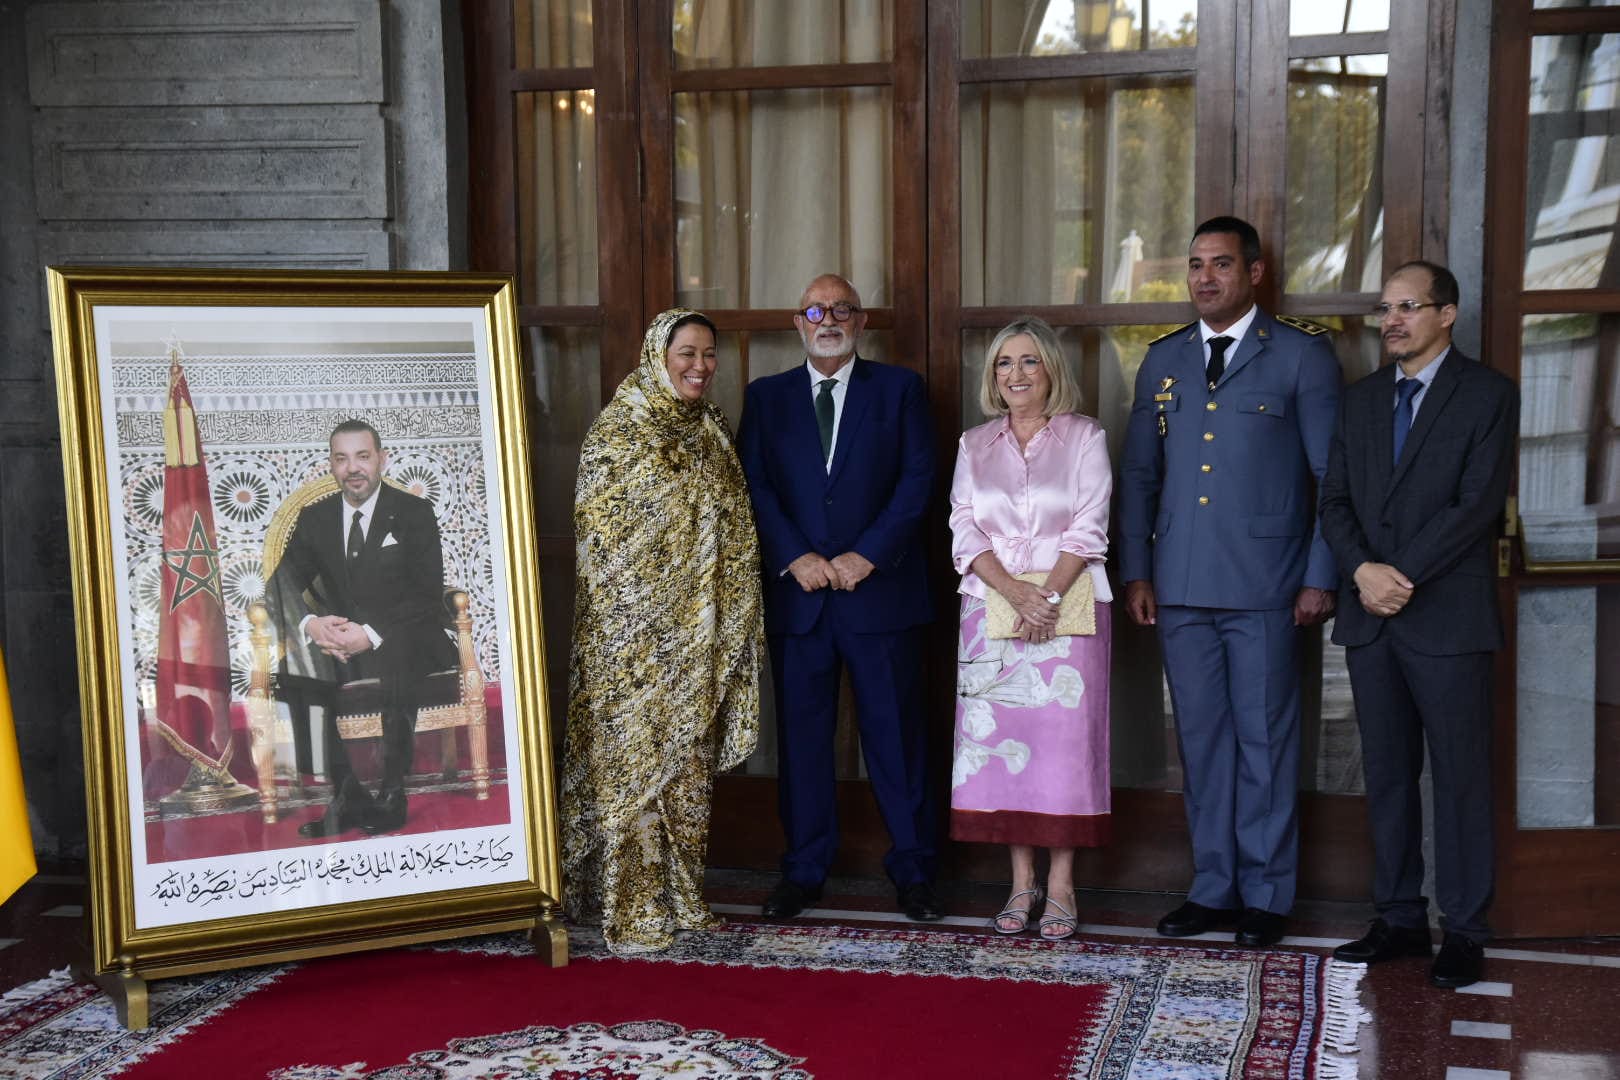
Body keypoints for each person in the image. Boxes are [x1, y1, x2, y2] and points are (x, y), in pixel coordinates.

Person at [1118, 215, 1341, 946]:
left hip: (1267, 587)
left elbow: (1328, 480)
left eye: (1220, 264)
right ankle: (1213, 887)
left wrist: (1319, 575)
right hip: (1180, 585)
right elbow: (1141, 477)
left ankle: (1268, 894)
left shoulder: (1302, 358)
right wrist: (1139, 571)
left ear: (1255, 272)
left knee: (1266, 744)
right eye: (1194, 266)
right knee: (1203, 743)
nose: (1204, 277)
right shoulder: (1165, 361)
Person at [1319, 262, 1517, 989]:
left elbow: (1476, 504)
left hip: (1447, 618)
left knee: (1461, 779)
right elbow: (1333, 500)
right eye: (1385, 308)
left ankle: (1463, 929)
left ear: (1448, 314)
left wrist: (1396, 574)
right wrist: (1363, 571)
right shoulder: (1360, 401)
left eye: (1409, 307)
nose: (1392, 320)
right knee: (1390, 777)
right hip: (1373, 619)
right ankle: (1399, 918)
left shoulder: (1488, 394)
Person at [737, 273, 941, 922]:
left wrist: (867, 555)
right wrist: (794, 555)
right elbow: (755, 485)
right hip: (801, 600)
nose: (828, 320)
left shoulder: (901, 390)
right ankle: (803, 870)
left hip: (879, 598)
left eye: (842, 310)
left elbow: (917, 481)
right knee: (801, 742)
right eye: (816, 310)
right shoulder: (766, 398)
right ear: (798, 323)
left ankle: (914, 870)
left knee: (897, 737)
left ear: (862, 322)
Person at [561, 308, 764, 956]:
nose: (700, 366)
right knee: (637, 772)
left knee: (688, 775)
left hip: (697, 638)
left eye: (709, 355)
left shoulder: (713, 432)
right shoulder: (619, 431)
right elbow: (600, 539)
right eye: (688, 353)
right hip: (634, 645)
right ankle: (632, 906)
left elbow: (736, 528)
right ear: (658, 354)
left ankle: (683, 895)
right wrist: (651, 618)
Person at [948, 316, 1113, 940]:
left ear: (1051, 370)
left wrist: (1043, 595)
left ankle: (1063, 887)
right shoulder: (973, 444)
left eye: (1028, 362)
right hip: (990, 607)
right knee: (1004, 752)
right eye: (1003, 364)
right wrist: (1014, 590)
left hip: (1069, 609)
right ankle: (1021, 884)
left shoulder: (1085, 436)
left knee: (1061, 752)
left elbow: (1090, 525)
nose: (1015, 375)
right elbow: (964, 526)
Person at [268, 419, 456, 839]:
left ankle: (392, 793)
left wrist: (369, 634)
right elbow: (278, 585)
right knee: (292, 668)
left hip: (409, 634)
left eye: (362, 456)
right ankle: (346, 792)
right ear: (332, 466)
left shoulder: (413, 512)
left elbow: (427, 594)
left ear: (381, 460)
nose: (353, 468)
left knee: (395, 657)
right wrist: (313, 625)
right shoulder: (315, 519)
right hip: (340, 641)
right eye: (342, 458)